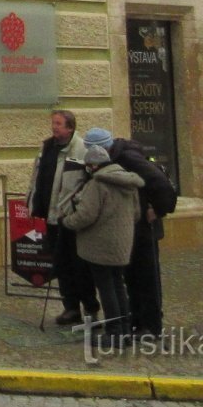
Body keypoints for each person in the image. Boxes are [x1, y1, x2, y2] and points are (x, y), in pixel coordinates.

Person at [86, 127, 177, 337]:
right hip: (129, 227)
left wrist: (158, 210)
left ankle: (151, 326)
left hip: (145, 228)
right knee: (132, 277)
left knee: (146, 278)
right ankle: (137, 322)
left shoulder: (129, 158)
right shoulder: (117, 157)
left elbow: (162, 185)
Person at [55, 143, 143, 345]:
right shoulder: (128, 181)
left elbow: (86, 216)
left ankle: (113, 333)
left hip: (99, 246)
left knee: (106, 288)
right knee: (119, 286)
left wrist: (66, 222)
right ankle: (125, 331)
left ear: (94, 166)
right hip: (122, 244)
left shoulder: (97, 184)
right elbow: (136, 214)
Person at [26, 109, 96, 326]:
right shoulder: (47, 147)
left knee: (79, 266)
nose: (54, 127)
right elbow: (36, 178)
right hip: (50, 216)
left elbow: (92, 183)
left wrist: (78, 205)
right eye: (53, 123)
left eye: (58, 123)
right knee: (60, 265)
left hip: (71, 219)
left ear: (70, 128)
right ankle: (70, 307)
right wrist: (31, 203)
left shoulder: (83, 150)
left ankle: (91, 309)